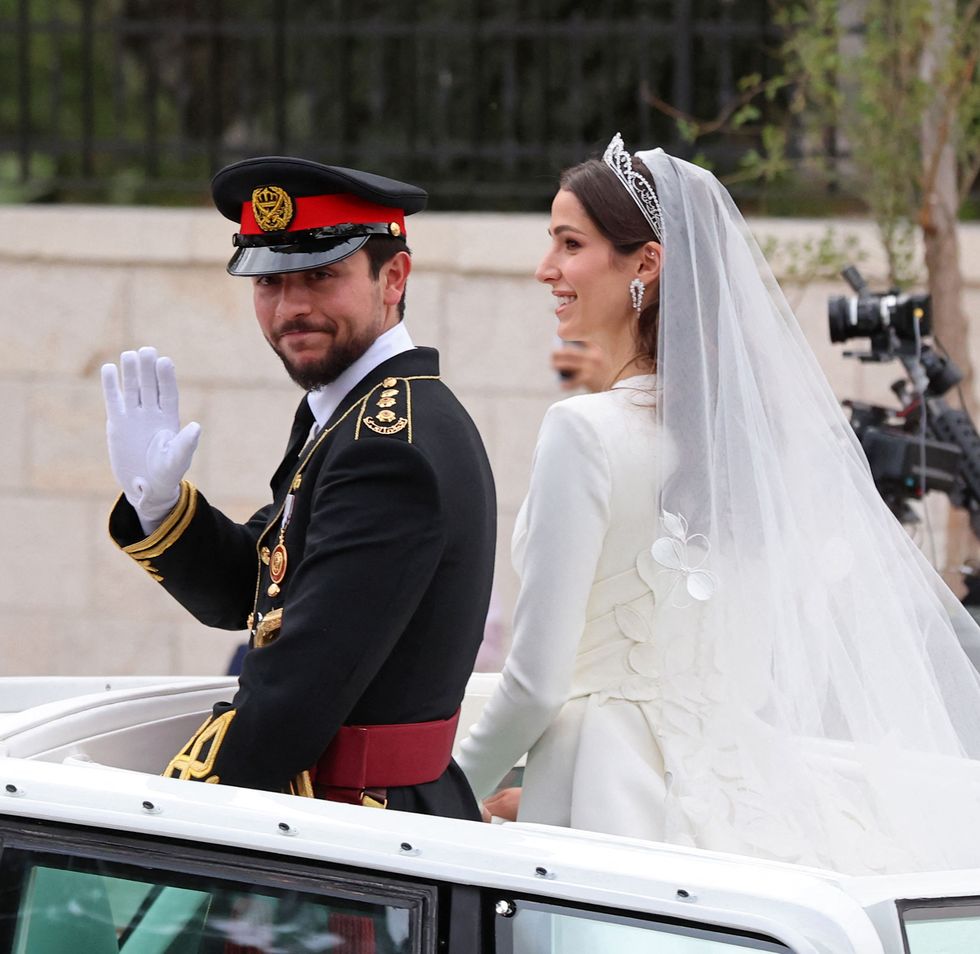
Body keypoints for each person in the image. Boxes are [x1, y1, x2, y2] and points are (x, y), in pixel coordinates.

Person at [457, 134, 980, 873]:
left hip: (602, 793)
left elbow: (537, 684)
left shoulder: (582, 431)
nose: (547, 269)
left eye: (569, 244)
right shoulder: (737, 445)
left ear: (645, 263)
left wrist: (442, 798)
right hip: (733, 790)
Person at [102, 157, 496, 819]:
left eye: (320, 276)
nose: (292, 308)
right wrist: (159, 506)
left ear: (393, 278)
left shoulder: (384, 447)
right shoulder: (356, 412)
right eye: (270, 283)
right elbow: (253, 589)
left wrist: (157, 819)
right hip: (341, 817)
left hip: (357, 830)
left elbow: (291, 698)